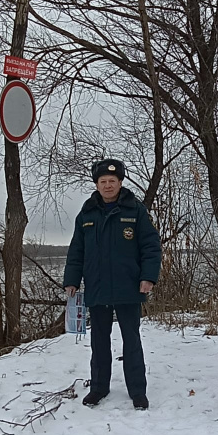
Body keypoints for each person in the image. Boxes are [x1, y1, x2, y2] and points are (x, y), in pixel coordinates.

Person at [64, 159, 162, 410]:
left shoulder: (135, 210)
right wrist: (72, 281)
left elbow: (150, 246)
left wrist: (148, 277)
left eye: (112, 181)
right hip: (97, 287)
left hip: (129, 287)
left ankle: (138, 391)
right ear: (96, 185)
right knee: (99, 341)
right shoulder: (86, 213)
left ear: (120, 182)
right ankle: (98, 387)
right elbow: (77, 251)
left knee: (131, 340)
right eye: (103, 182)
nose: (108, 186)